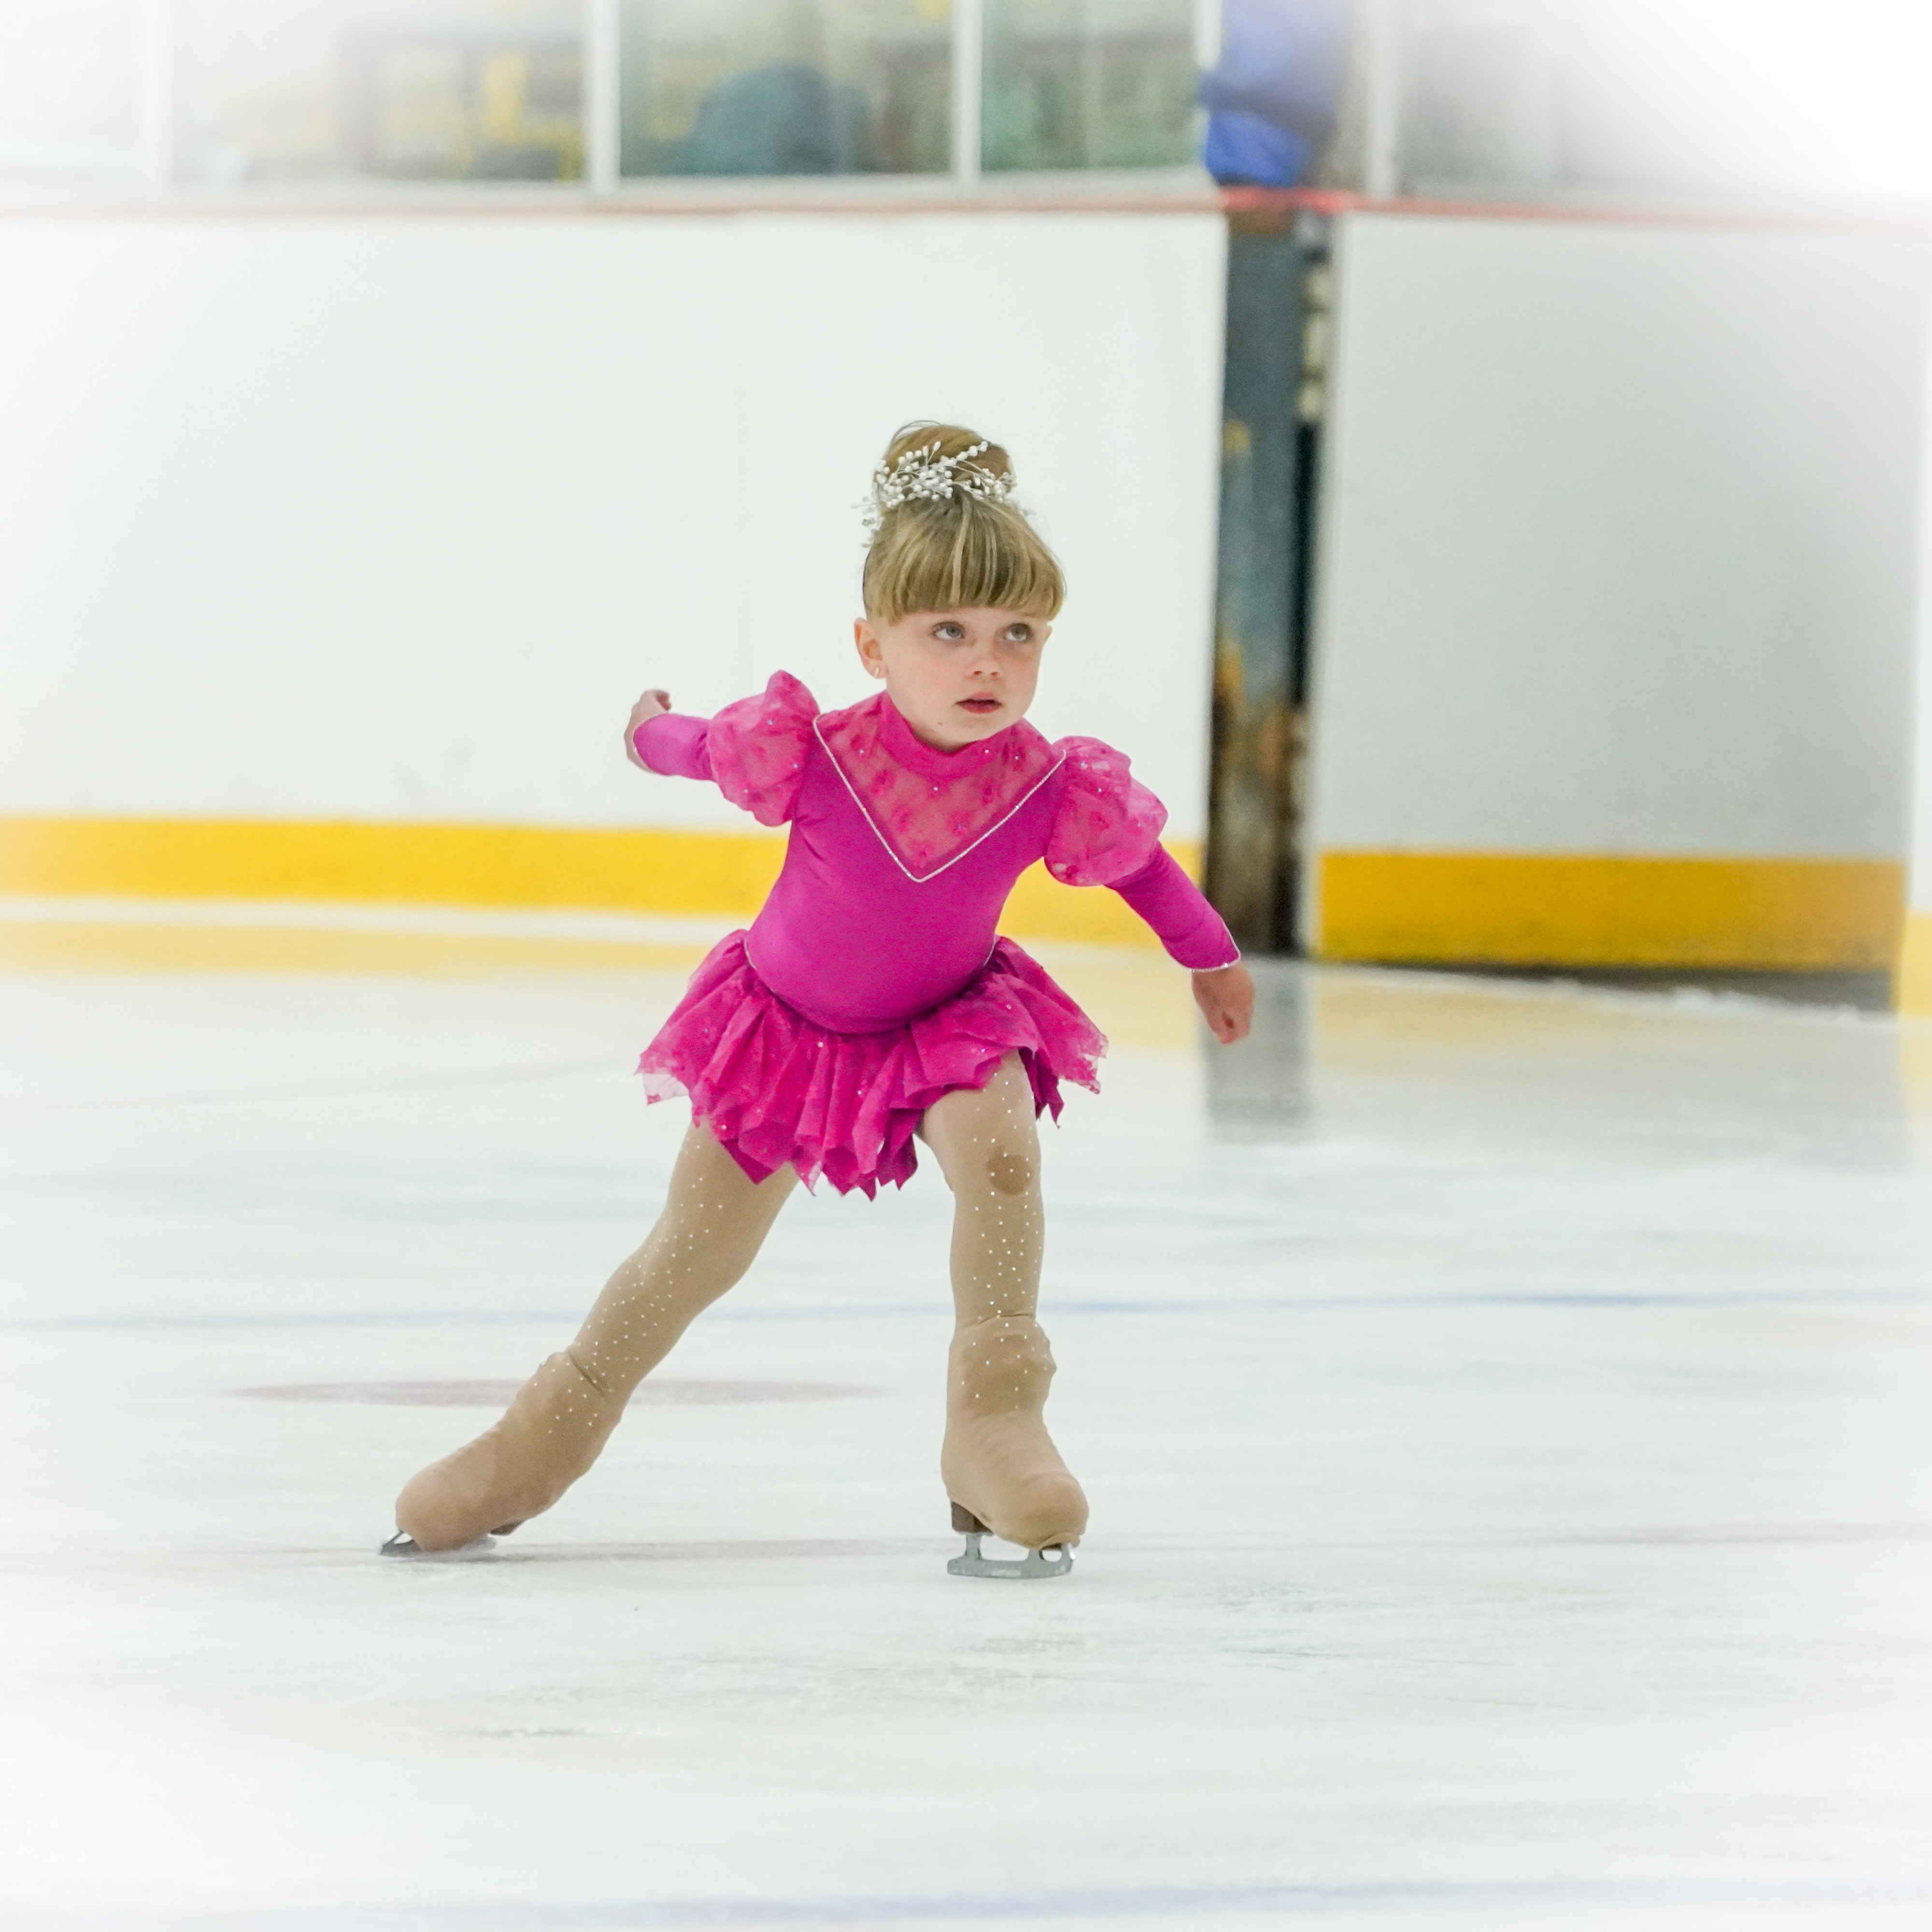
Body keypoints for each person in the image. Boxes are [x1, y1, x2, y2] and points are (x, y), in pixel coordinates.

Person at [384, 423, 1254, 1578]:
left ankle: (994, 1421)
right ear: (872, 643)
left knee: (1002, 1159)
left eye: (1016, 634)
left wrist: (1208, 954)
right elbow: (696, 747)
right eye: (947, 632)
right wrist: (643, 732)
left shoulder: (1047, 782)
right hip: (783, 1035)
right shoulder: (816, 750)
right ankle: (537, 1441)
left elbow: (1140, 869)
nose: (985, 663)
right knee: (689, 1257)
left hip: (947, 1022)